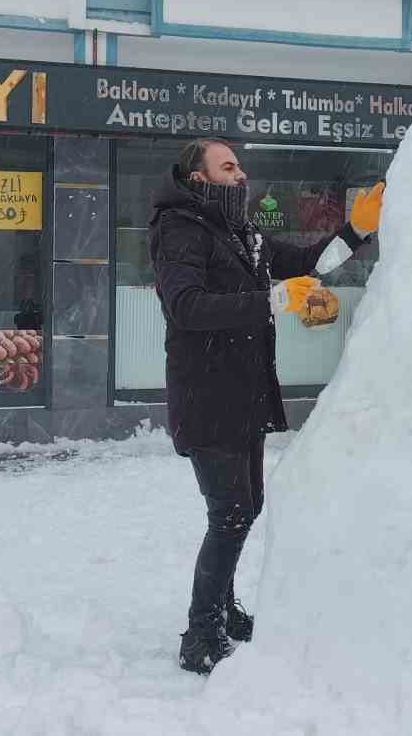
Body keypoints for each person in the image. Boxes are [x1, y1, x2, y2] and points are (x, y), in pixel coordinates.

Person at [149, 138, 384, 674]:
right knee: (228, 513)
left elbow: (307, 262)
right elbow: (186, 307)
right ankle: (201, 633)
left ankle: (225, 611)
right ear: (198, 178)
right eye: (228, 166)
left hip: (244, 395)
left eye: (240, 166)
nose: (240, 174)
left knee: (245, 508)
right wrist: (274, 299)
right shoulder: (180, 229)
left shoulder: (241, 231)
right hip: (206, 396)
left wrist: (357, 230)